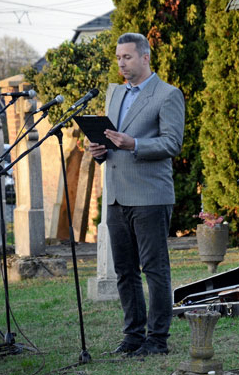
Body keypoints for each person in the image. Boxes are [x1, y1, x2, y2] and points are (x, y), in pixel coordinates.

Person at [88, 32, 185, 357]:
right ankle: (132, 335)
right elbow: (110, 140)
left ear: (145, 57)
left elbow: (172, 143)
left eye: (127, 57)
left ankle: (157, 339)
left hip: (150, 196)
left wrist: (136, 144)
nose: (121, 63)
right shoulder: (114, 94)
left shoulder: (168, 94)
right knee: (124, 270)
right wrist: (98, 149)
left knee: (154, 269)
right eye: (118, 57)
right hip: (115, 195)